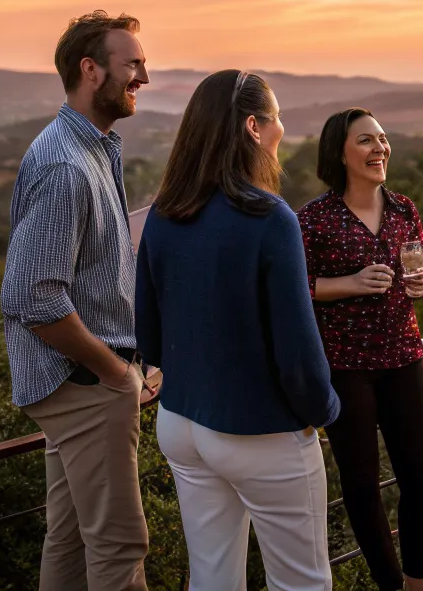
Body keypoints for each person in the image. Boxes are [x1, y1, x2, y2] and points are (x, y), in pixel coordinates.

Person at [135, 70, 339, 591]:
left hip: (182, 425)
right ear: (253, 126)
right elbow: (298, 350)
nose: (281, 129)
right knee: (302, 583)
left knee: (212, 578)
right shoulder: (270, 218)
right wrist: (322, 411)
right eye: (275, 118)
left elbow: (149, 333)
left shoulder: (163, 213)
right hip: (258, 429)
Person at [0, 10, 151, 591]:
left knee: (66, 539)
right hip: (84, 384)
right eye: (132, 63)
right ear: (91, 70)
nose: (143, 75)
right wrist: (114, 371)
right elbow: (34, 297)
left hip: (78, 383)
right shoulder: (66, 164)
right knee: (119, 545)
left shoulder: (91, 148)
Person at [298, 109, 423, 591]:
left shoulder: (404, 209)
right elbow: (297, 287)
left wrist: (421, 284)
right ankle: (389, 585)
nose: (380, 147)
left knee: (420, 474)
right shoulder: (313, 219)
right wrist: (350, 283)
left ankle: (417, 577)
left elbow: (420, 271)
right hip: (346, 368)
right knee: (361, 486)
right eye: (365, 140)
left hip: (405, 356)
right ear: (340, 152)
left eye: (382, 138)